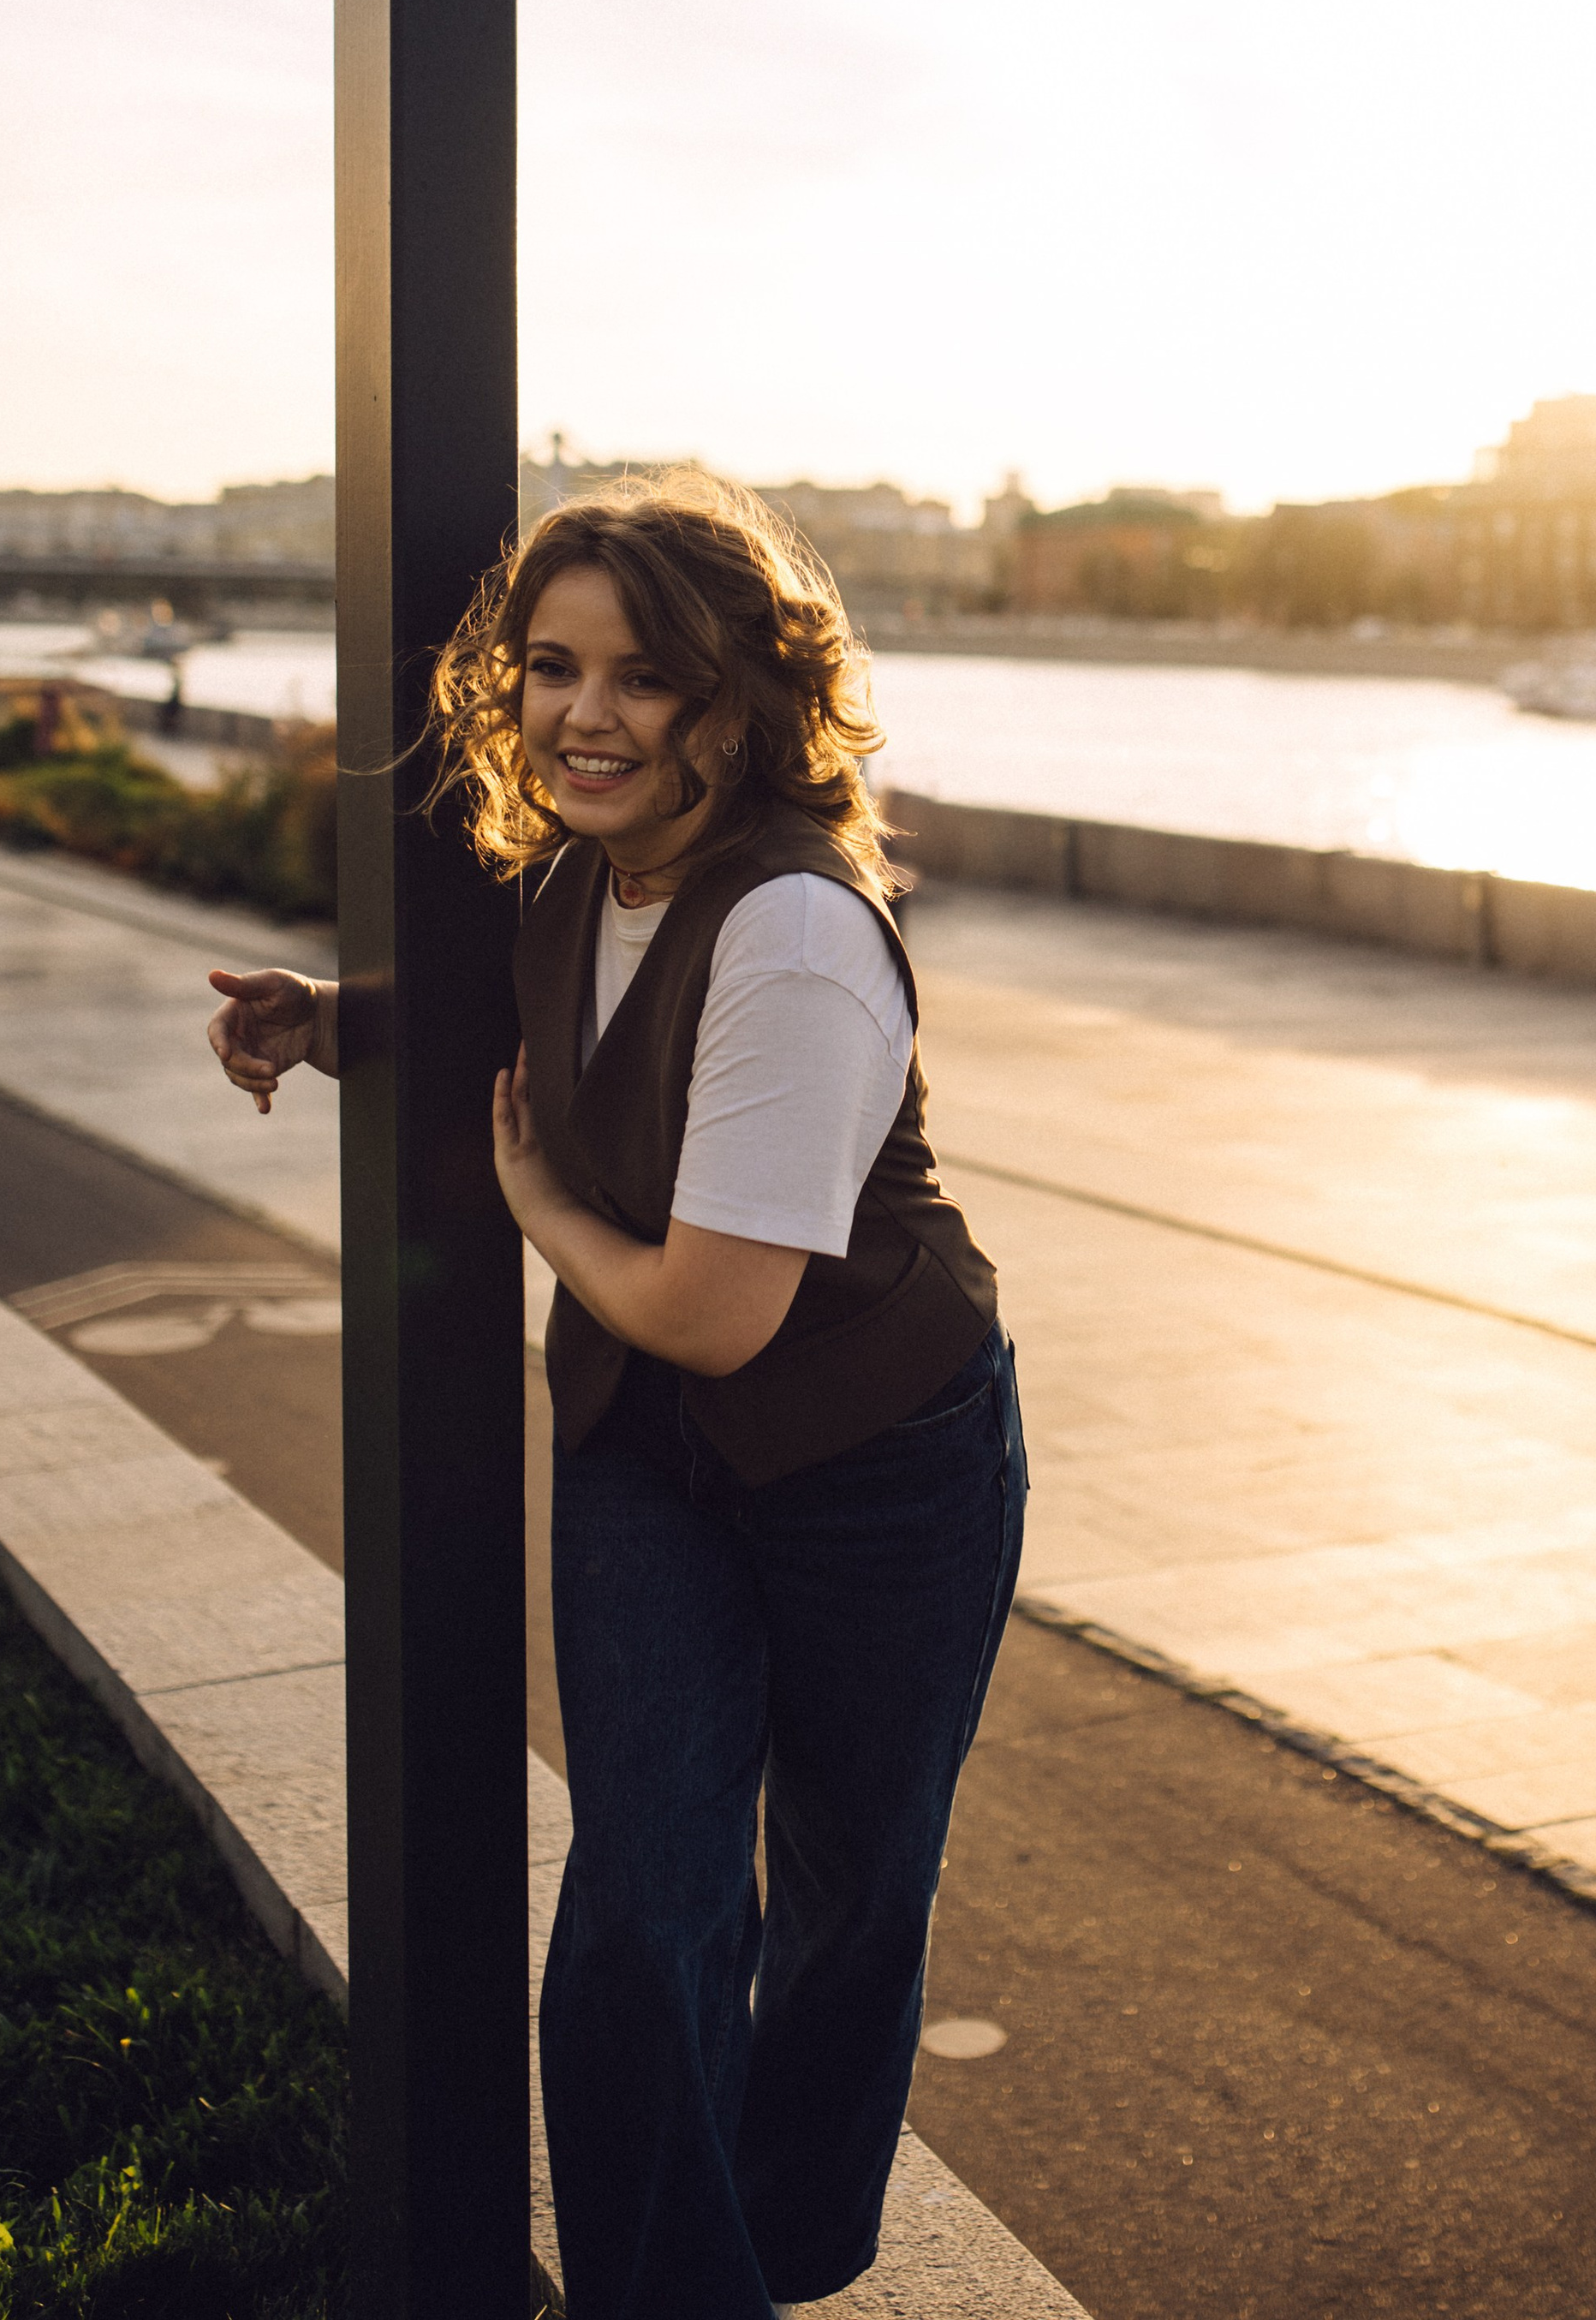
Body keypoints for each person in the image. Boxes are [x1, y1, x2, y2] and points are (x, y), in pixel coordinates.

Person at [206, 480, 1025, 2318]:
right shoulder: (584, 875)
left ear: (739, 695)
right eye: (552, 667)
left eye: (642, 676)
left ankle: (789, 2242)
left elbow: (711, 1312)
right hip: (650, 1453)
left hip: (882, 1463)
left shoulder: (798, 933)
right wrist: (330, 1012)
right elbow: (531, 1030)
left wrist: (539, 1209)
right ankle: (676, 2292)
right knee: (649, 1889)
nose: (583, 714)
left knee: (848, 1884)